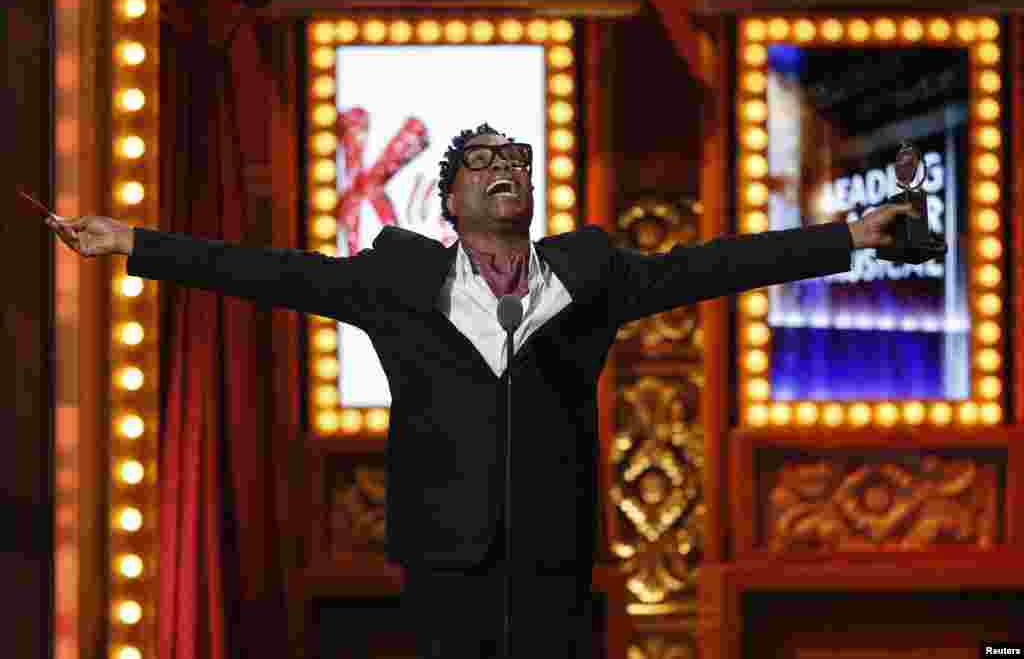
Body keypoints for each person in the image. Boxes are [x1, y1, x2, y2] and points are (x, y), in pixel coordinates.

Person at [46, 123, 930, 658]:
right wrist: (135, 242)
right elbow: (269, 272)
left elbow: (714, 264)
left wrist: (849, 236)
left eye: (517, 157)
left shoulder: (588, 274)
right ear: (450, 198)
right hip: (445, 563)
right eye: (483, 160)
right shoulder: (398, 281)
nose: (506, 165)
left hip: (555, 563)